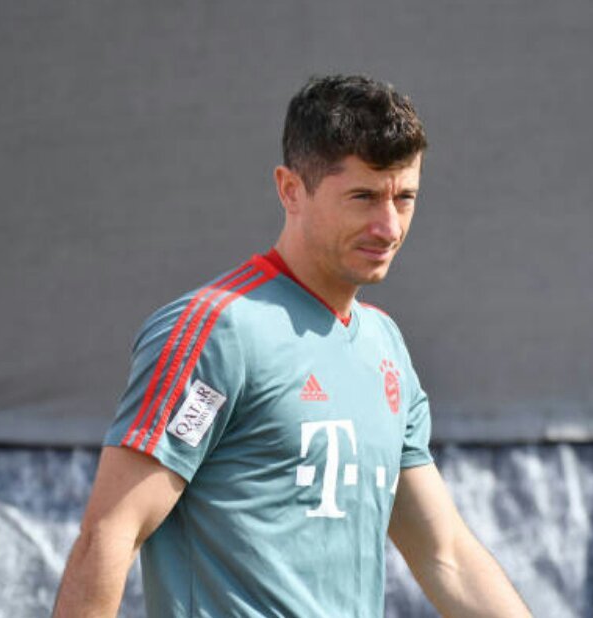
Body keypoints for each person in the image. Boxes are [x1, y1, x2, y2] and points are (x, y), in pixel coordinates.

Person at [53, 74, 530, 617]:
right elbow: (110, 534)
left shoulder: (385, 345)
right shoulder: (216, 331)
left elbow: (447, 556)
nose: (389, 226)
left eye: (405, 198)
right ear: (290, 190)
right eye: (363, 197)